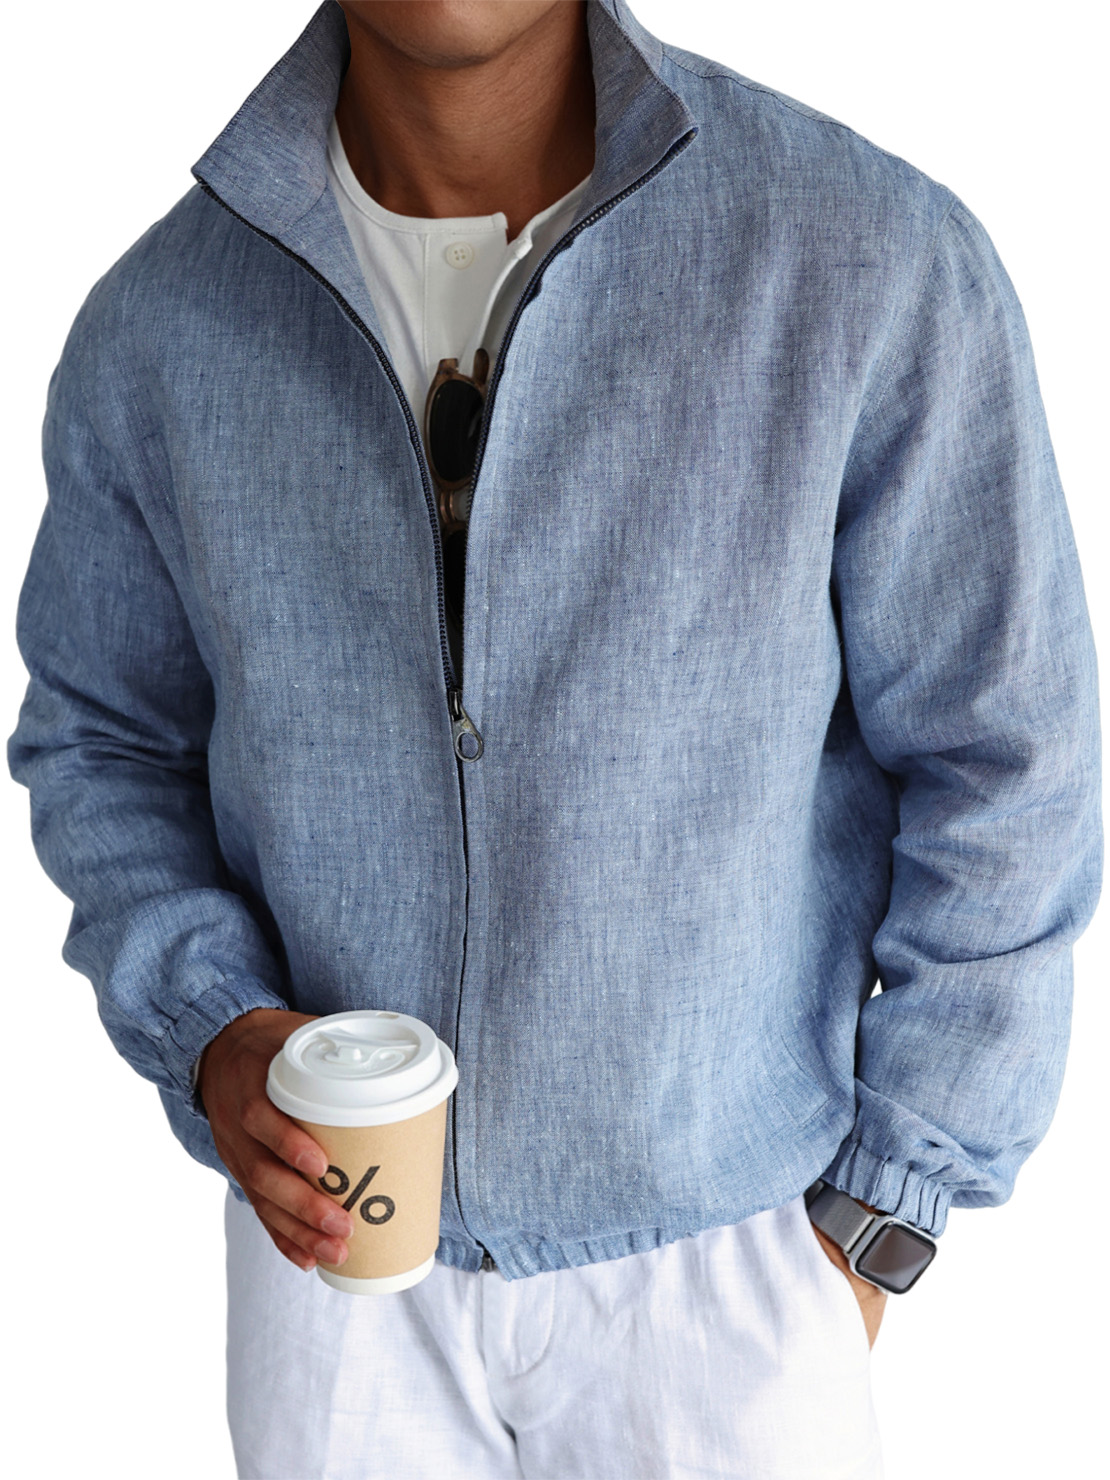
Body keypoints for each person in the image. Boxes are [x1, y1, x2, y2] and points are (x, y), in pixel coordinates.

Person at [7, 0, 1101, 1476]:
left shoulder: (864, 260)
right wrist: (211, 1028)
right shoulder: (159, 326)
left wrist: (879, 1220)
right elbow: (102, 741)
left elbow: (1005, 759)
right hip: (332, 1265)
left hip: (733, 1268)